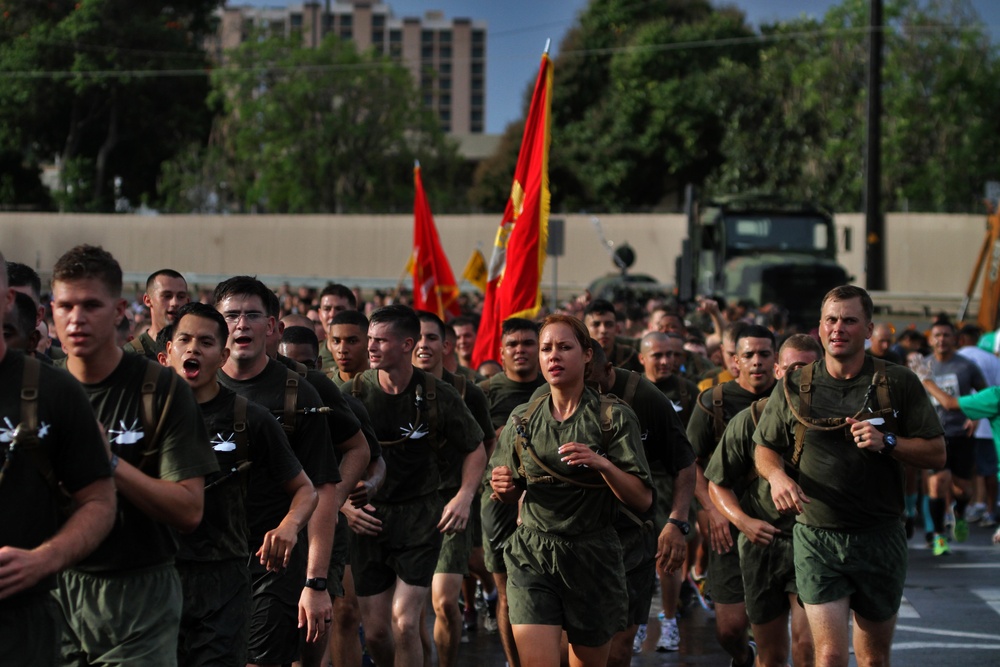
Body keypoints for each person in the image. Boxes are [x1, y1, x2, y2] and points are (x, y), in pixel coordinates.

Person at [755, 285, 945, 667]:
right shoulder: (794, 384)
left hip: (880, 536)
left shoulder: (898, 382)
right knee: (829, 655)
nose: (838, 328)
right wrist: (776, 477)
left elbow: (936, 453)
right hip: (818, 537)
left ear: (869, 329)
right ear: (820, 328)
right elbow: (765, 448)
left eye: (849, 320)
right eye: (831, 320)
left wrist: (887, 441)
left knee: (873, 659)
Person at [49, 244, 217, 666]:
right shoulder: (39, 392)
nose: (76, 318)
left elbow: (189, 509)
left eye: (90, 305)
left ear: (120, 309)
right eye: (65, 305)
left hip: (140, 589)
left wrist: (108, 463)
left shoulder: (160, 390)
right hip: (54, 586)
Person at [490, 314, 653, 667]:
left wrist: (603, 464)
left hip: (593, 555)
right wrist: (502, 487)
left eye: (565, 347)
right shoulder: (522, 419)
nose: (553, 356)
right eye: (547, 348)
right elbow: (505, 490)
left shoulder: (614, 417)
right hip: (532, 552)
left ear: (587, 354)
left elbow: (642, 499)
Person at [164, 303, 318, 667]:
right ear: (167, 352)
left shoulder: (251, 418)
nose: (193, 349)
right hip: (159, 575)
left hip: (225, 579)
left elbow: (305, 489)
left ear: (223, 355)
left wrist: (289, 526)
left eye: (205, 342)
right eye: (184, 340)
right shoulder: (145, 418)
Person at [214, 276, 342, 667]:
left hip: (274, 560)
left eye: (252, 315)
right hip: (208, 560)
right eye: (231, 315)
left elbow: (321, 488)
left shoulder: (298, 393)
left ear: (271, 326)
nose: (241, 325)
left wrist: (316, 582)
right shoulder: (193, 388)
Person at [349, 305, 485, 667]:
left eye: (381, 340)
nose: (371, 347)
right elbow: (325, 459)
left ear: (407, 344)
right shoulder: (353, 393)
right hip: (367, 520)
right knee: (377, 633)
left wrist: (463, 496)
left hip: (420, 517)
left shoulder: (439, 394)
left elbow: (475, 447)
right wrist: (345, 507)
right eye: (370, 339)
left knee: (407, 622)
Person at [0, 249, 116, 665]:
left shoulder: (55, 390)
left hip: (22, 623)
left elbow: (99, 500)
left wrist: (46, 558)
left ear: (7, 300)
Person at [706, 334, 823, 667]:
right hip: (763, 545)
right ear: (778, 371)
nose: (800, 376)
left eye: (808, 368)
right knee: (770, 653)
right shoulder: (751, 419)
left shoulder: (832, 422)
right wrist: (744, 522)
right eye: (792, 368)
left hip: (813, 542)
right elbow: (718, 483)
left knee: (806, 645)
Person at [585, 339, 695, 663]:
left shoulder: (645, 397)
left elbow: (685, 462)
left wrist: (677, 521)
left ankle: (667, 620)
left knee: (620, 647)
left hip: (632, 530)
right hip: (578, 534)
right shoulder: (554, 398)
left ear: (608, 370)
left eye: (593, 383)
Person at [687, 324, 778, 667]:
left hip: (778, 526)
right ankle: (743, 656)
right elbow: (689, 463)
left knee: (774, 625)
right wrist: (712, 510)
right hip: (730, 525)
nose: (757, 362)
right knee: (729, 629)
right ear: (735, 360)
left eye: (764, 354)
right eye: (749, 355)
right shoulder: (714, 401)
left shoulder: (790, 400)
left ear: (776, 359)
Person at [413, 311, 493, 667]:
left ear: (446, 345)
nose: (423, 345)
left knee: (444, 601)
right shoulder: (383, 387)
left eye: (431, 337)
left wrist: (468, 490)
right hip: (404, 508)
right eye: (415, 337)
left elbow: (486, 443)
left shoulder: (466, 392)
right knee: (409, 610)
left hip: (452, 507)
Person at [478, 317, 547, 667]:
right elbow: (470, 451)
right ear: (501, 351)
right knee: (507, 593)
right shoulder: (484, 393)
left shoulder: (555, 389)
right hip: (497, 503)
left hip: (546, 503)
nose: (521, 350)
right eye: (513, 344)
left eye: (528, 343)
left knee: (549, 594)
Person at [634, 330, 700, 652]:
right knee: (638, 558)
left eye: (670, 355)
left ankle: (670, 620)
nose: (665, 361)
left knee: (668, 559)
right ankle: (639, 621)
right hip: (635, 483)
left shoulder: (688, 393)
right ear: (642, 358)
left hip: (673, 482)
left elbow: (695, 447)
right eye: (657, 355)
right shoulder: (631, 390)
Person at [923, 317, 986, 554]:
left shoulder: (966, 366)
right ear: (931, 339)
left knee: (963, 490)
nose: (941, 340)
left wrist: (975, 416)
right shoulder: (924, 367)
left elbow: (985, 394)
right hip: (933, 435)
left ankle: (959, 513)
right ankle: (939, 535)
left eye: (946, 335)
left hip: (961, 433)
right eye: (937, 335)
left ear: (955, 339)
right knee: (937, 484)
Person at [126, 269, 190, 359]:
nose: (175, 303)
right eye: (167, 296)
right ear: (147, 300)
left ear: (187, 301)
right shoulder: (132, 354)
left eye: (181, 297)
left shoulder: (193, 350)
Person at [583, 299, 642, 372]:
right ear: (584, 328)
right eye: (596, 324)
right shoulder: (579, 359)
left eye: (609, 324)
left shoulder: (629, 357)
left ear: (616, 328)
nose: (603, 330)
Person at [317, 283, 357, 372]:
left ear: (354, 313)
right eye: (327, 309)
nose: (332, 314)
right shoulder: (312, 354)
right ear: (319, 314)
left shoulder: (366, 353)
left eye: (339, 309)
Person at [328, 309, 370, 384]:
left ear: (369, 342)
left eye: (352, 341)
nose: (342, 350)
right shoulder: (322, 388)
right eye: (336, 341)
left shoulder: (386, 385)